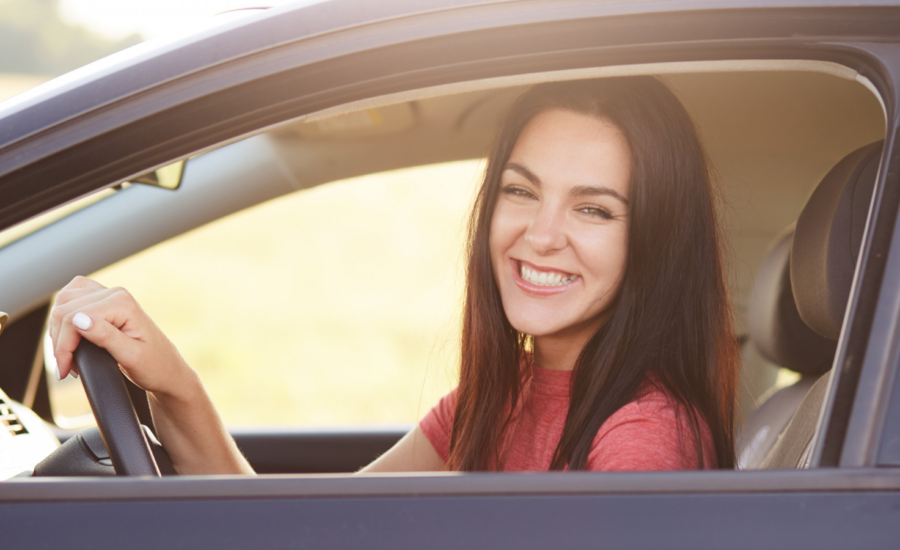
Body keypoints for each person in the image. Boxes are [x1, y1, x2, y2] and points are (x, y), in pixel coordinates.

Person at [49, 76, 738, 474]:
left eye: (593, 209)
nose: (542, 235)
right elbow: (304, 536)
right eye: (521, 191)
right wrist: (174, 385)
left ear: (654, 240)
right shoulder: (506, 394)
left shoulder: (642, 440)